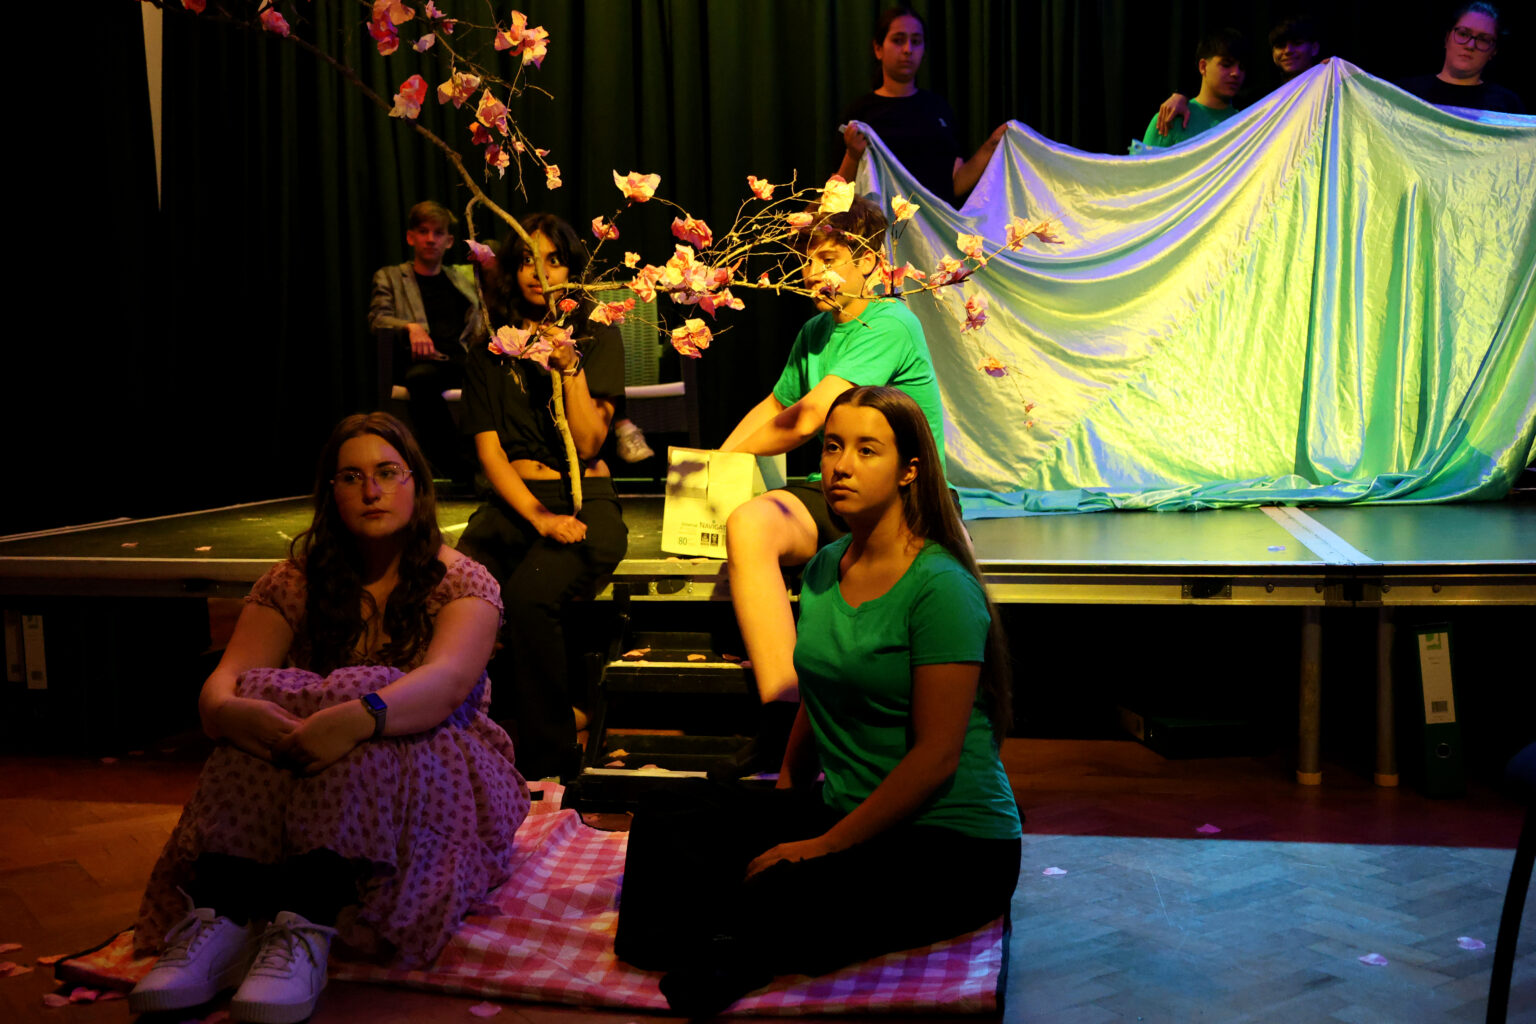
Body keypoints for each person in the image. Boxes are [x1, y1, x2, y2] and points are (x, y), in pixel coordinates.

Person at [616, 386, 1021, 1018]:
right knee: (669, 815)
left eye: (867, 450)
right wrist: (787, 802)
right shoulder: (825, 566)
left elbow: (937, 758)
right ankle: (713, 937)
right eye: (833, 447)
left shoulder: (940, 587)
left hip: (952, 843)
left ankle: (729, 944)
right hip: (848, 809)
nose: (841, 466)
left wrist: (823, 843)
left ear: (909, 470)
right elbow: (819, 690)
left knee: (784, 888)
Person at [129, 413, 528, 1022]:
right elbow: (226, 681)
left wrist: (356, 717)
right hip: (312, 762)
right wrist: (230, 713)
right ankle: (225, 917)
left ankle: (304, 922)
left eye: (387, 473)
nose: (371, 491)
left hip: (449, 763)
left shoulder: (462, 582)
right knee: (261, 694)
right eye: (351, 477)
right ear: (331, 493)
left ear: (416, 484)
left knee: (367, 691)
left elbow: (445, 686)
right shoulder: (294, 582)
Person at [714, 194, 946, 778]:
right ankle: (782, 716)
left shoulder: (889, 322)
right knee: (750, 524)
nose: (813, 272)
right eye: (808, 260)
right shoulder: (816, 330)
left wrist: (724, 461)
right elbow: (776, 404)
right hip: (841, 490)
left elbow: (807, 418)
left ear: (868, 261)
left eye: (830, 258)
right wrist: (711, 466)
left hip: (902, 498)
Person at [456, 214, 628, 781]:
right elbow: (489, 453)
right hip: (516, 502)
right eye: (529, 259)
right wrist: (538, 517)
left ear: (571, 269)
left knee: (529, 596)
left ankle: (549, 765)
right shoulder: (488, 348)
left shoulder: (596, 335)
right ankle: (457, 734)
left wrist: (570, 365)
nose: (541, 271)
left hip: (583, 497)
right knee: (454, 588)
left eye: (554, 260)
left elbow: (589, 442)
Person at [837, 6, 1008, 207]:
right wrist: (852, 155)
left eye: (916, 41)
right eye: (898, 40)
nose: (908, 49)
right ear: (878, 49)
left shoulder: (938, 108)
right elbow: (837, 191)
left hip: (936, 224)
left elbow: (954, 184)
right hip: (884, 225)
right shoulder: (860, 113)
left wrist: (991, 146)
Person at [368, 201, 487, 484]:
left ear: (449, 241)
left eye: (438, 232)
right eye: (423, 231)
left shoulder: (463, 277)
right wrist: (410, 327)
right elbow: (377, 319)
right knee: (421, 379)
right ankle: (461, 466)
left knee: (492, 373)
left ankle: (492, 464)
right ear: (411, 237)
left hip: (461, 360)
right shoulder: (391, 277)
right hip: (422, 363)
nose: (430, 239)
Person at [1154, 16, 1322, 138]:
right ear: (1273, 54)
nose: (1288, 51)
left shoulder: (1330, 87)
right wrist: (1180, 95)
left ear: (1315, 48)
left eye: (1297, 44)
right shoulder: (1260, 101)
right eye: (1280, 46)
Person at [1398, 3, 1525, 114]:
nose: (1470, 45)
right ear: (1447, 38)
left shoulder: (1508, 105)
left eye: (1483, 40)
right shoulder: (1404, 93)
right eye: (1463, 34)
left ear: (1493, 51)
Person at [1140, 29, 1248, 150]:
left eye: (1242, 67)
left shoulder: (1247, 123)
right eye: (1226, 65)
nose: (1236, 73)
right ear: (1203, 67)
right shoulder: (1170, 118)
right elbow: (1143, 162)